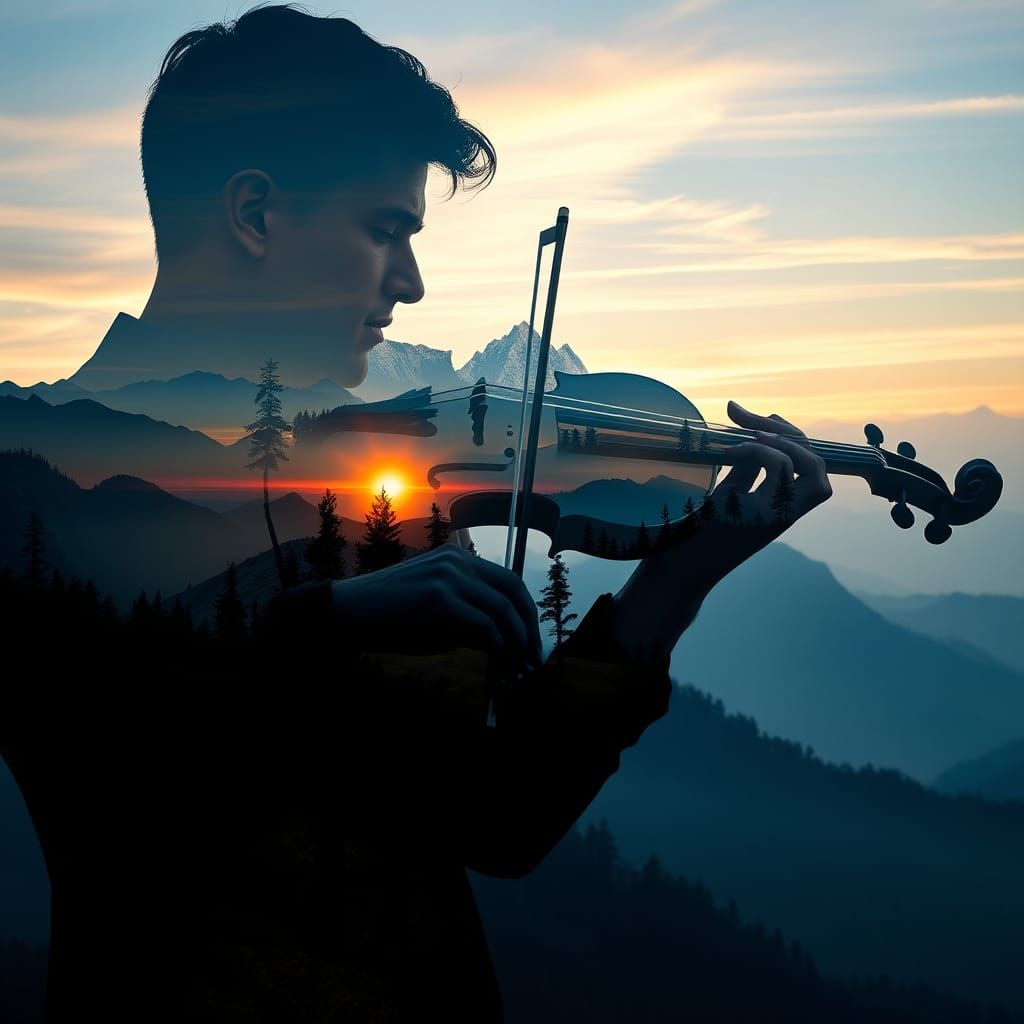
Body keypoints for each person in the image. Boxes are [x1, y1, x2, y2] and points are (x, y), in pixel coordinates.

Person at [3, 4, 832, 1020]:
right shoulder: (31, 468)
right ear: (255, 213)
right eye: (386, 228)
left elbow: (494, 820)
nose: (411, 281)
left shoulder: (383, 474)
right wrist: (326, 615)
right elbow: (94, 721)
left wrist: (673, 583)